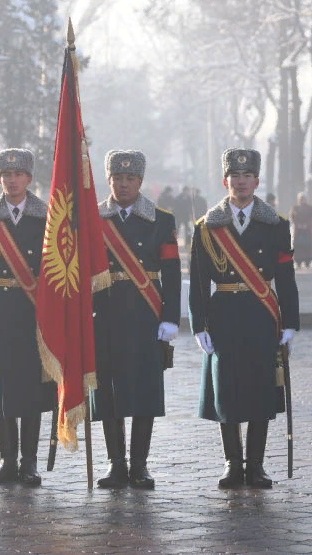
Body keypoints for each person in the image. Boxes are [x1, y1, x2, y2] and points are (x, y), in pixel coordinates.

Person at [190, 149, 299, 488]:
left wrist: (291, 322)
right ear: (226, 181)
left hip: (260, 313)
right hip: (223, 314)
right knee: (227, 391)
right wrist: (199, 324)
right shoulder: (207, 227)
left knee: (258, 389)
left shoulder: (276, 224)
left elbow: (286, 276)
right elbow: (196, 281)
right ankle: (232, 463)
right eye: (234, 177)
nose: (240, 182)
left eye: (247, 176)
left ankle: (256, 465)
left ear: (256, 180)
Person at [92, 150, 181, 488]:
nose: (124, 184)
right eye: (118, 178)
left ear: (140, 182)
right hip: (106, 314)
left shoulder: (161, 220)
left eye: (130, 179)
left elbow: (171, 273)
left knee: (144, 391)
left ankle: (140, 464)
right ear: (109, 180)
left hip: (146, 314)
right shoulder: (92, 218)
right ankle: (116, 463)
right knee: (109, 393)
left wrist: (170, 317)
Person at [0, 149, 55, 487]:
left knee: (32, 387)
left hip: (36, 311)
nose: (11, 179)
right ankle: (7, 460)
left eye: (18, 174)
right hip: (0, 309)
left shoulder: (47, 217)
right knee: (4, 387)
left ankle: (29, 462)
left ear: (29, 179)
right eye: (6, 174)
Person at [290, 193, 312, 268]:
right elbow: (292, 217)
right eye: (301, 199)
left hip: (308, 231)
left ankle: (308, 261)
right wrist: (298, 224)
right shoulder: (295, 208)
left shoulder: (310, 208)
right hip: (298, 231)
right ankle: (298, 261)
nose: (302, 200)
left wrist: (306, 225)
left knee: (308, 245)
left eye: (303, 199)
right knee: (298, 246)